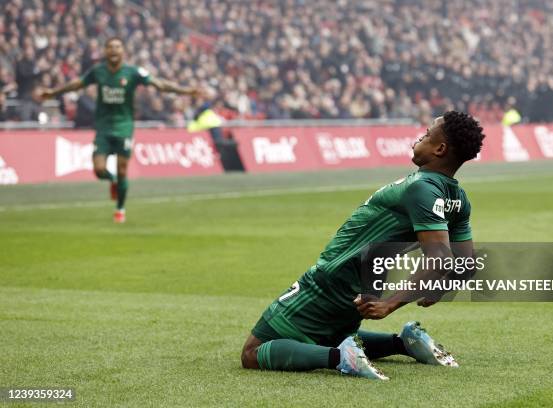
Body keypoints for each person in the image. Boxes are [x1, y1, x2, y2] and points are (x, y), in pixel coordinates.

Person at [241, 111, 485, 380]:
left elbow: (440, 258)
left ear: (439, 148)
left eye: (427, 134)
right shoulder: (458, 198)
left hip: (331, 280)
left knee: (253, 352)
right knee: (330, 335)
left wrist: (390, 305)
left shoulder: (422, 188)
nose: (420, 137)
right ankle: (403, 343)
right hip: (361, 287)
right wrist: (437, 290)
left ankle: (342, 359)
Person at [39, 37, 201, 223]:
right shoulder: (98, 71)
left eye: (117, 47)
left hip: (124, 127)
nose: (114, 50)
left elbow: (160, 84)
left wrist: (186, 91)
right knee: (99, 169)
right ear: (105, 51)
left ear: (123, 51)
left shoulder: (132, 72)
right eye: (110, 47)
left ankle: (120, 209)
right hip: (103, 127)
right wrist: (53, 92)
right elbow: (77, 83)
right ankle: (112, 180)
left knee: (123, 169)